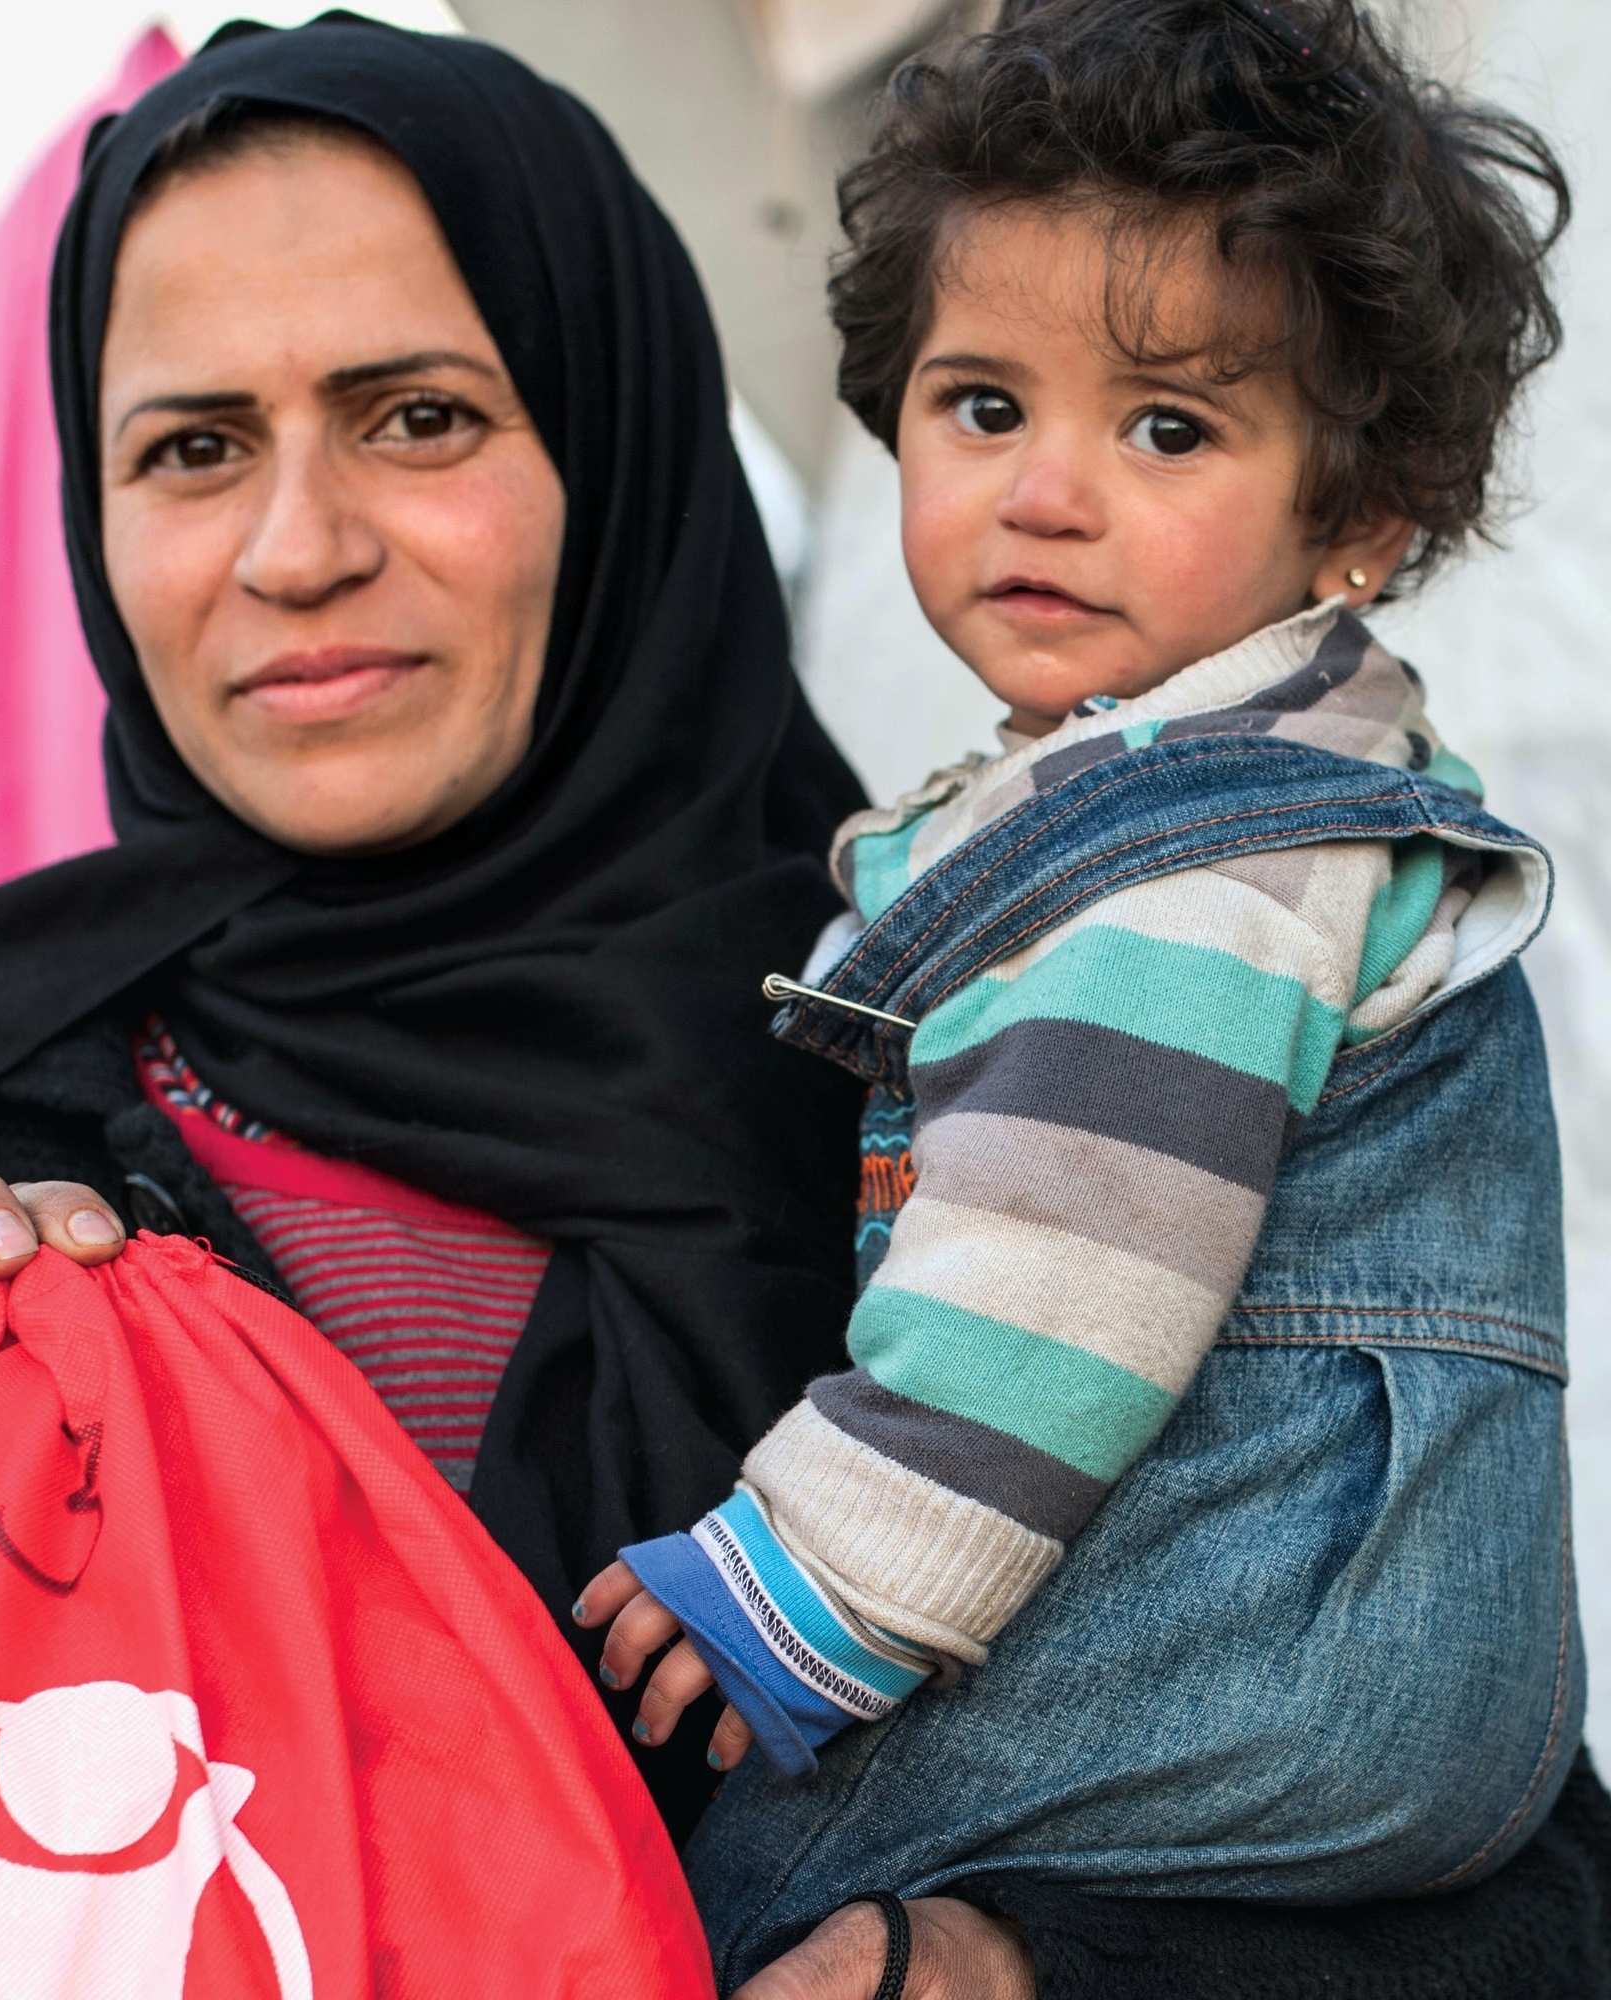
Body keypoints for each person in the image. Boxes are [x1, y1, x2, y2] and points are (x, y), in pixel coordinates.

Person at [0, 16, 1607, 2000]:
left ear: (614, 442)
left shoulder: (954, 1028)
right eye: (193, 446)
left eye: (418, 418)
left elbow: (1508, 1874)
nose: (298, 547)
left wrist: (1018, 1967)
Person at [567, 0, 1586, 1972]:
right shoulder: (1273, 781)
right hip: (1392, 1681)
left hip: (1263, 1674)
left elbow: (1058, 1278)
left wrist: (803, 1584)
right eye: (982, 405)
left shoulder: (1187, 872)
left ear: (1357, 520)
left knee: (711, 1900)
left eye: (1167, 426)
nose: (1044, 491)